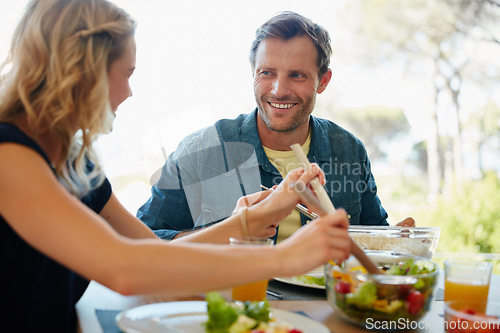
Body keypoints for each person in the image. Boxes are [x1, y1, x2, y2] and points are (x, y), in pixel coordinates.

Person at [0, 1, 352, 332]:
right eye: (126, 73)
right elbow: (126, 268)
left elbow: (154, 252)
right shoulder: (8, 155)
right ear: (81, 73)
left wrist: (248, 221)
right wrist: (286, 258)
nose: (129, 92)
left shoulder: (76, 163)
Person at [137, 11, 415, 242]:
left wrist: (395, 241)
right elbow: (142, 240)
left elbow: (372, 240)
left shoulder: (348, 150)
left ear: (323, 81)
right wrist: (228, 233)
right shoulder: (201, 151)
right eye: (266, 73)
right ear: (253, 73)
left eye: (297, 75)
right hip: (235, 303)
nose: (279, 91)